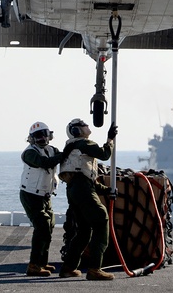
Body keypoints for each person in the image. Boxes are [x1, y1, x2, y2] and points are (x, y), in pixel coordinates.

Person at [58, 117, 118, 281]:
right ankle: (95, 269)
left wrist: (107, 190)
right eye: (84, 125)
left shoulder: (71, 147)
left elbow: (85, 178)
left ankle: (68, 268)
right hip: (82, 189)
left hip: (74, 190)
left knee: (84, 232)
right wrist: (110, 138)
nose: (87, 126)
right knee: (101, 220)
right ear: (77, 130)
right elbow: (104, 154)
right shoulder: (84, 143)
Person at [19, 121, 65, 277]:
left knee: (49, 226)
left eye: (44, 134)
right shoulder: (29, 153)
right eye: (38, 135)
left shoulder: (52, 150)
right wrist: (65, 154)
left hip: (45, 195)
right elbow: (44, 163)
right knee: (43, 226)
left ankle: (42, 262)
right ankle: (33, 265)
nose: (42, 138)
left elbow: (60, 157)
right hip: (31, 195)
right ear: (31, 138)